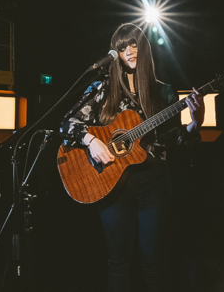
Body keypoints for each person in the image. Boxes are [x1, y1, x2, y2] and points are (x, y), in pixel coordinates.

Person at [60, 23, 204, 291]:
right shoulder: (102, 88)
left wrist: (195, 123)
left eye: (134, 44)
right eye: (122, 46)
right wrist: (91, 141)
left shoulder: (164, 92)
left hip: (154, 183)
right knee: (118, 260)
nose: (129, 50)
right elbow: (68, 123)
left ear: (145, 48)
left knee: (154, 261)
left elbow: (176, 142)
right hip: (113, 183)